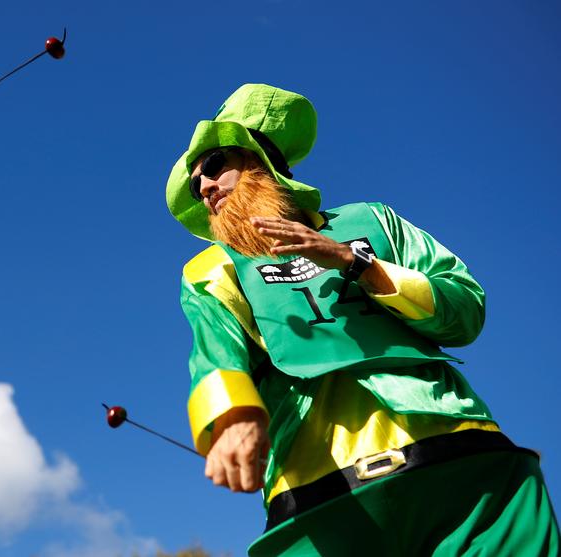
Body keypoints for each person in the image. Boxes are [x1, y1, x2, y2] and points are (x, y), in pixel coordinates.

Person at [166, 84, 559, 556]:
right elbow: (214, 349)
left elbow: (466, 311)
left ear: (259, 160)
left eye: (212, 166)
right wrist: (233, 417)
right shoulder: (211, 268)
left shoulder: (374, 220)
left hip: (466, 475)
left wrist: (357, 263)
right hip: (321, 502)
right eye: (195, 185)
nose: (205, 187)